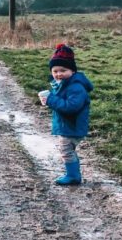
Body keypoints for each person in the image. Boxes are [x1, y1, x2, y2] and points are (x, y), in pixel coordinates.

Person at [39, 43, 93, 185]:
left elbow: (71, 107)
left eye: (63, 70)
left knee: (66, 150)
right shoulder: (63, 84)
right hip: (67, 125)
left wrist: (51, 99)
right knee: (68, 150)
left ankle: (73, 176)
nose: (58, 74)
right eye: (55, 71)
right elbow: (61, 103)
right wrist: (49, 100)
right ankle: (73, 174)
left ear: (72, 71)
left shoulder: (76, 87)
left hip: (72, 127)